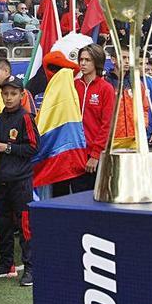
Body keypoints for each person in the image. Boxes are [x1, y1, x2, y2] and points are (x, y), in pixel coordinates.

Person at [0, 78, 38, 286]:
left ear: (22, 95)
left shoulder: (26, 118)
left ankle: (31, 268)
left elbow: (33, 147)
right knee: (3, 224)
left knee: (25, 227)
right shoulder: (0, 117)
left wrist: (7, 147)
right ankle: (6, 264)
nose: (8, 97)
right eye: (5, 94)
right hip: (2, 179)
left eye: (13, 94)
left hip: (20, 181)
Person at [67, 44, 114, 196]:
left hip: (95, 155)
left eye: (88, 60)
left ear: (97, 62)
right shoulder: (73, 86)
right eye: (81, 59)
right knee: (77, 198)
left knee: (96, 199)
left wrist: (95, 155)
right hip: (75, 153)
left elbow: (107, 125)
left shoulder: (105, 88)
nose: (83, 63)